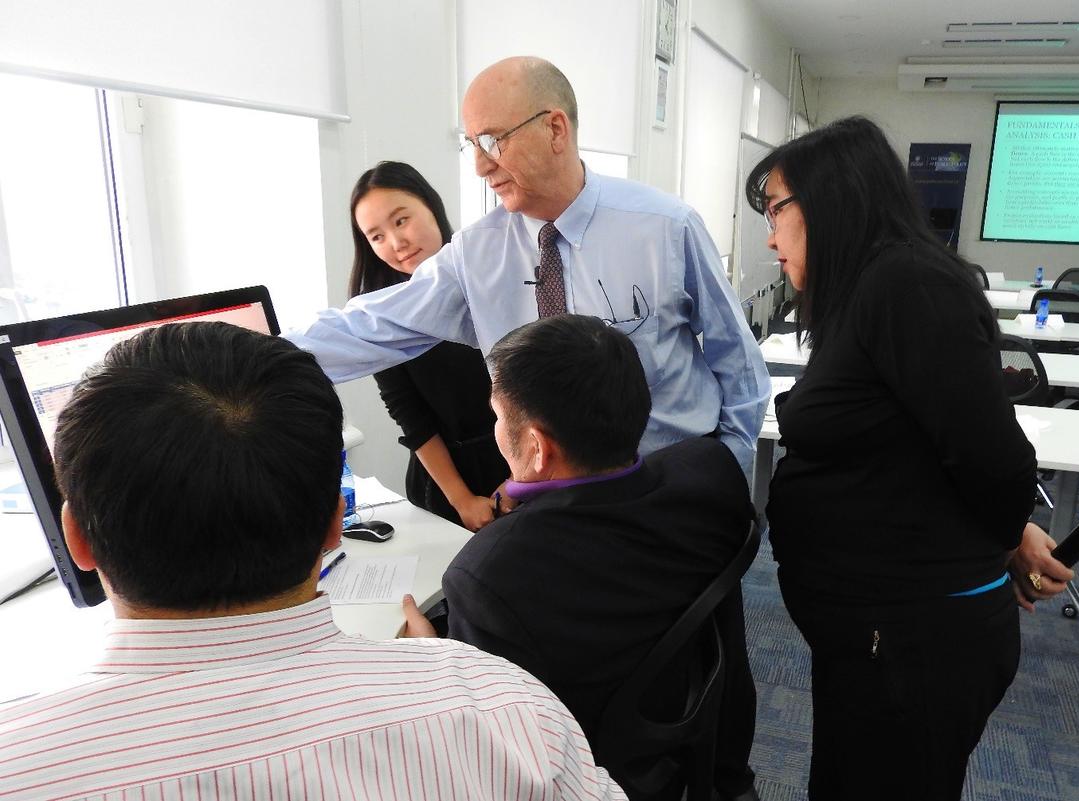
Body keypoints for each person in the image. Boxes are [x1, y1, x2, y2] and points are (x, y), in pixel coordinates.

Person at [0, 321, 624, 801]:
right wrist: (428, 670)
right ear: (335, 523)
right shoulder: (507, 708)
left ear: (76, 540)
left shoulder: (21, 766)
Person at [746, 116, 1074, 801]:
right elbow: (921, 444)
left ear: (834, 197)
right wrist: (1008, 534)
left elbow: (998, 462)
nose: (770, 235)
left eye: (776, 209)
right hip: (879, 634)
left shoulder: (908, 286)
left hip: (915, 640)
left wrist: (1005, 530)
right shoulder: (866, 292)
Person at [285, 56, 769, 477]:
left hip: (670, 477)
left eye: (492, 141)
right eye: (470, 143)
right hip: (555, 499)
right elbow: (372, 325)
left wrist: (729, 464)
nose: (479, 165)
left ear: (555, 128)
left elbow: (735, 354)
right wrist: (247, 353)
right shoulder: (476, 254)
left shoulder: (664, 227)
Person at [402, 314, 759, 801]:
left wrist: (433, 658)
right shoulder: (708, 470)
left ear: (537, 447)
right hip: (700, 751)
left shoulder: (489, 575)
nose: (495, 430)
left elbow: (485, 747)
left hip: (590, 775)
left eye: (499, 417)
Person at [349, 161, 508, 531]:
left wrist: (524, 476)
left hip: (525, 461)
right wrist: (463, 500)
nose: (395, 242)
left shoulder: (489, 272)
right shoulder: (381, 311)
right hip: (448, 484)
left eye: (401, 220)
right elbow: (411, 417)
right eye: (376, 236)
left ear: (431, 206)